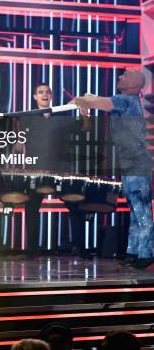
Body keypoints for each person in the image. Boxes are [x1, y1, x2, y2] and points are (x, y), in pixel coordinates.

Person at [71, 69, 154, 269]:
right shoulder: (125, 102)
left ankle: (147, 253)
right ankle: (135, 252)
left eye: (124, 76)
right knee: (135, 210)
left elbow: (97, 101)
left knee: (141, 211)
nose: (119, 77)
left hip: (135, 163)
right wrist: (86, 101)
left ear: (135, 84)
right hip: (129, 163)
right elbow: (98, 100)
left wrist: (84, 101)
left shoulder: (126, 100)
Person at [21, 83, 89, 256]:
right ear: (35, 97)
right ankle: (31, 250)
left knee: (75, 205)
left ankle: (79, 248)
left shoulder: (62, 116)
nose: (44, 95)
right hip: (36, 170)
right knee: (31, 208)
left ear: (51, 96)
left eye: (48, 92)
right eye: (40, 92)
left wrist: (85, 115)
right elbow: (18, 144)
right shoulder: (26, 118)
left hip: (60, 169)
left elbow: (85, 128)